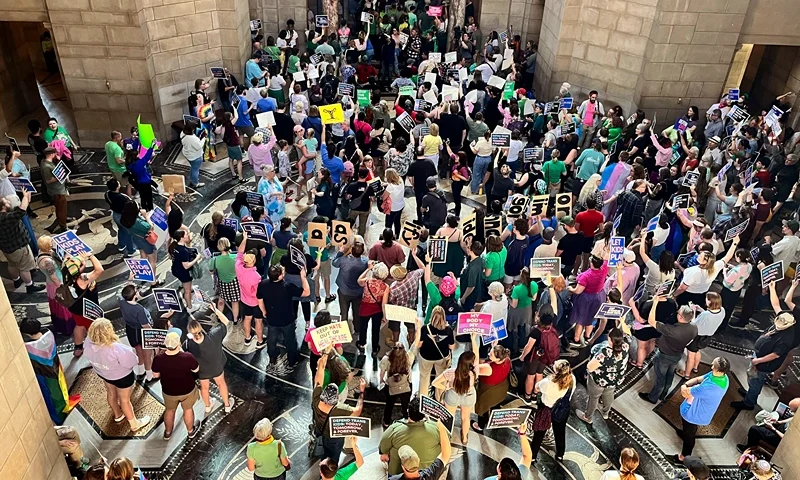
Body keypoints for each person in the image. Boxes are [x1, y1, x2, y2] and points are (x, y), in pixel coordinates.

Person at [82, 319, 151, 431]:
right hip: (122, 377)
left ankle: (118, 415)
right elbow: (132, 362)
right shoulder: (117, 348)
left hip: (104, 374)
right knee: (125, 400)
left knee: (111, 393)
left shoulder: (88, 343)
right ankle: (134, 424)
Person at [432, 334, 492, 444]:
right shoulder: (475, 372)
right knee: (466, 418)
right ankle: (464, 438)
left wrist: (446, 387)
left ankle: (447, 436)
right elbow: (477, 354)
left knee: (449, 417)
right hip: (468, 396)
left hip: (452, 395)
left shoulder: (451, 372)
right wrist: (474, 339)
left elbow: (435, 383)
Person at [731, 312, 796, 411]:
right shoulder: (779, 325)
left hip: (764, 364)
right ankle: (750, 393)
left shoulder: (786, 339)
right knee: (752, 379)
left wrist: (758, 361)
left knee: (756, 381)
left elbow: (775, 354)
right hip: (759, 357)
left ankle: (749, 402)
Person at [638, 298, 697, 404]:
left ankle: (653, 397)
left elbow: (652, 321)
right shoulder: (694, 327)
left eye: (678, 312)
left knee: (660, 377)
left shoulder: (672, 330)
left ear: (680, 317)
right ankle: (663, 394)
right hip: (677, 355)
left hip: (664, 356)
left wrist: (655, 302)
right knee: (669, 375)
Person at [674, 357, 730, 463]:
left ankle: (684, 457)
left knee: (690, 434)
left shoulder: (710, 388)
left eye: (713, 365)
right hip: (703, 409)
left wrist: (684, 386)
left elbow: (686, 393)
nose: (711, 366)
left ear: (718, 370)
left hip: (695, 413)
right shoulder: (723, 377)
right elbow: (699, 379)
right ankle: (686, 434)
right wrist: (686, 384)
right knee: (689, 430)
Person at [312, 353, 366, 462]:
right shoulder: (339, 409)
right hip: (334, 437)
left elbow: (319, 377)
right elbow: (357, 410)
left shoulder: (316, 399)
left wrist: (323, 359)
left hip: (320, 431)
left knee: (323, 452)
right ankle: (330, 471)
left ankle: (323, 463)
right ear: (336, 400)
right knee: (334, 456)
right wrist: (362, 392)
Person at [258, 261, 310, 369]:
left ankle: (272, 357)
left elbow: (260, 300)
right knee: (290, 340)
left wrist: (264, 312)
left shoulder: (263, 284)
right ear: (281, 276)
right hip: (287, 319)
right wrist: (303, 277)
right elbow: (306, 293)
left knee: (271, 340)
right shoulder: (287, 286)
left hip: (272, 319)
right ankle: (292, 359)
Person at [152, 330, 201, 440]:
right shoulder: (188, 357)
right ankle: (190, 431)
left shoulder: (158, 358)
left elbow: (155, 375)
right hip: (187, 390)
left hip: (169, 391)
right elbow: (196, 369)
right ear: (178, 343)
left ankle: (168, 433)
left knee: (170, 410)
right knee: (188, 409)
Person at [187, 305, 232, 414]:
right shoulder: (214, 335)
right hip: (216, 366)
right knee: (221, 383)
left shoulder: (189, 343)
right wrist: (215, 310)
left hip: (202, 370)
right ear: (200, 328)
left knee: (204, 387)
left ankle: (207, 406)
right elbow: (226, 322)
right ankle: (227, 405)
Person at [380, 395, 442, 475]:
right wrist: (430, 421)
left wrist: (385, 453)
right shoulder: (436, 428)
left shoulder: (394, 429)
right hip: (429, 473)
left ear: (408, 411)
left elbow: (383, 448)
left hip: (398, 473)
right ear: (425, 414)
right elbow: (446, 442)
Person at [578, 328, 628, 423]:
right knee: (609, 394)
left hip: (599, 381)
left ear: (609, 339)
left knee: (594, 397)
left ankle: (587, 417)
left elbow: (590, 367)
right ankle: (605, 413)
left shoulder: (604, 352)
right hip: (614, 380)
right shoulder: (625, 346)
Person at [529, 359, 575, 463]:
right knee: (559, 432)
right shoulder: (572, 379)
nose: (553, 364)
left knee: (539, 433)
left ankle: (532, 456)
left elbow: (536, 388)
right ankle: (560, 454)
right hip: (562, 409)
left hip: (546, 409)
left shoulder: (548, 382)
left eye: (555, 364)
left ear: (556, 370)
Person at [380, 319, 422, 428]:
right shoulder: (408, 358)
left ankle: (386, 421)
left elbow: (382, 372)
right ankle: (406, 418)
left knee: (389, 405)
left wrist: (381, 381)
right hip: (406, 385)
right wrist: (418, 327)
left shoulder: (386, 359)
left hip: (391, 386)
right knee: (405, 405)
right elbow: (416, 342)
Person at [0, 189, 44, 293]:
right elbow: (22, 210)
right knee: (25, 267)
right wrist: (25, 196)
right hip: (19, 246)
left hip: (6, 248)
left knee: (12, 264)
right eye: (6, 201)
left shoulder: (5, 216)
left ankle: (16, 280)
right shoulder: (6, 218)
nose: (8, 201)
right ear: (3, 207)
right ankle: (30, 286)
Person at [63, 252, 104, 357]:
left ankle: (78, 347)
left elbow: (67, 261)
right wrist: (91, 256)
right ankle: (100, 349)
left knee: (79, 326)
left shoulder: (66, 274)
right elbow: (99, 269)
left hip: (75, 307)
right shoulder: (82, 279)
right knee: (95, 328)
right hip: (88, 310)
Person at [679, 292, 725, 378]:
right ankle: (695, 368)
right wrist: (700, 309)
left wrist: (693, 311)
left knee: (691, 356)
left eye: (707, 299)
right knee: (697, 351)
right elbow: (711, 317)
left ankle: (686, 374)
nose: (705, 300)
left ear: (710, 302)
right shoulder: (722, 310)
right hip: (707, 337)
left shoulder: (705, 315)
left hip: (697, 337)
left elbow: (693, 324)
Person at [473, 344, 512, 431]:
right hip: (501, 387)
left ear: (498, 359)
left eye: (491, 354)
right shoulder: (507, 359)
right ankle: (495, 420)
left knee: (483, 407)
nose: (488, 354)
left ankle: (480, 425)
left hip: (487, 390)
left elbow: (475, 368)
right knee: (496, 404)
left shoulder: (488, 367)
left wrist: (473, 343)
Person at [356, 261, 389, 364]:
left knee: (363, 327)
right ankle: (374, 349)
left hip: (365, 307)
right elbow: (384, 303)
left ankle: (361, 344)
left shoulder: (367, 281)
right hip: (377, 310)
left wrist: (368, 269)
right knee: (375, 330)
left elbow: (358, 280)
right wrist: (384, 316)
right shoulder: (385, 286)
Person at [118, 284, 153, 381]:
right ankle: (150, 377)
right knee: (147, 354)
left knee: (138, 351)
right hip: (141, 331)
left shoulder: (122, 302)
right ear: (135, 296)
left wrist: (129, 280)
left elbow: (122, 292)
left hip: (130, 330)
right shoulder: (139, 309)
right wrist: (153, 336)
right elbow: (145, 326)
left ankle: (141, 372)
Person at [41, 147, 68, 234]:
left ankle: (61, 221)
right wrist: (59, 176)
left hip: (59, 189)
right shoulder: (46, 166)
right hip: (57, 192)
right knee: (61, 209)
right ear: (52, 154)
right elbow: (48, 180)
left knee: (60, 208)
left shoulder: (47, 162)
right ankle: (63, 226)